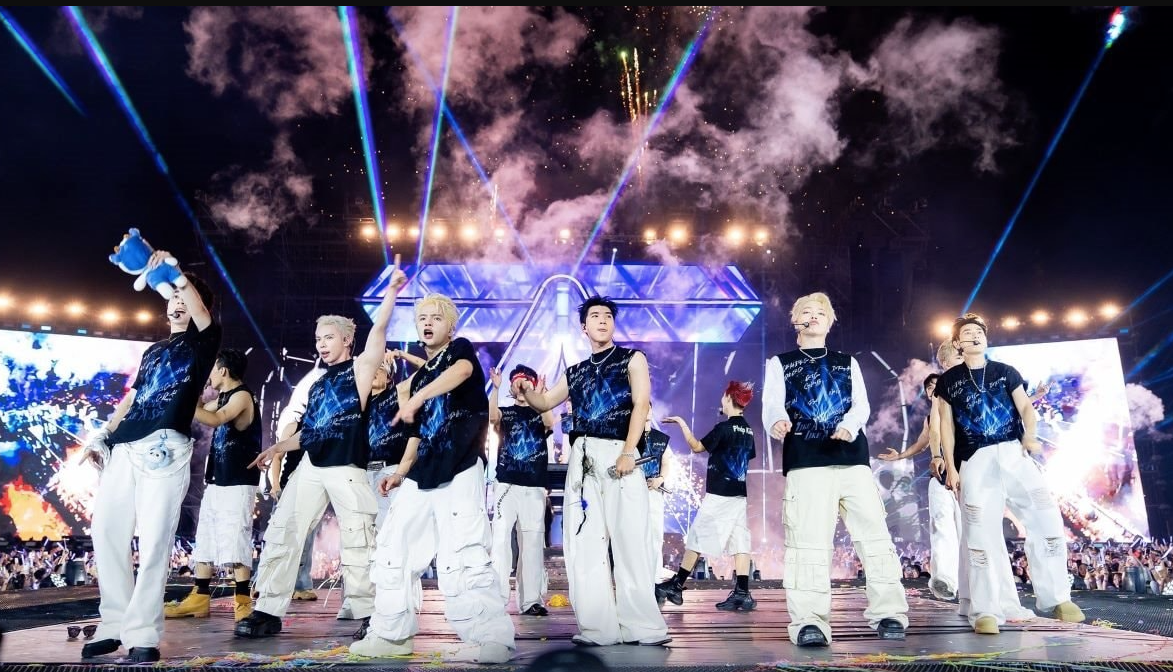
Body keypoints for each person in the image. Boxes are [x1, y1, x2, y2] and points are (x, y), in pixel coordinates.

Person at [235, 263, 407, 639]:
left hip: (347, 468)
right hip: (312, 466)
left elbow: (378, 332)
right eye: (318, 339)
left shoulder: (360, 371)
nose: (322, 344)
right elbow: (310, 433)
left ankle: (368, 615)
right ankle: (267, 610)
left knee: (358, 539)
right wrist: (278, 446)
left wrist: (392, 292)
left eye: (329, 337)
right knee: (284, 531)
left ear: (347, 340)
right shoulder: (316, 384)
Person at [350, 293, 515, 664]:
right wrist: (400, 472)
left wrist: (417, 394)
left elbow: (462, 373)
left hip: (460, 466)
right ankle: (391, 635)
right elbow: (417, 435)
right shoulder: (420, 377)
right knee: (393, 546)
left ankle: (492, 638)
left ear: (450, 327)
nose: (427, 323)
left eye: (435, 318)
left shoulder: (460, 349)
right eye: (422, 317)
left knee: (464, 552)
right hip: (422, 471)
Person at [80, 252, 220, 663]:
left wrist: (177, 277)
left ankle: (142, 633)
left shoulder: (203, 342)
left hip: (165, 449)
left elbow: (198, 309)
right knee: (106, 531)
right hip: (125, 447)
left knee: (156, 540)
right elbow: (134, 398)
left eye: (183, 297)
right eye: (171, 296)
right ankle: (113, 624)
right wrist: (103, 435)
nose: (176, 302)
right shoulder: (154, 351)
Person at [512, 295, 670, 647]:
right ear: (584, 327)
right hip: (583, 457)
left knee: (630, 541)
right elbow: (545, 402)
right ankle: (598, 628)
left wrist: (629, 451)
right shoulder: (576, 371)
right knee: (584, 543)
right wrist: (526, 390)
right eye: (595, 316)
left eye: (608, 315)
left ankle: (643, 627)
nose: (602, 320)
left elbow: (641, 404)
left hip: (619, 453)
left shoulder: (632, 358)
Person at [762, 291, 907, 647]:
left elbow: (861, 405)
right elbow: (772, 403)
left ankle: (889, 612)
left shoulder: (847, 362)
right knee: (807, 544)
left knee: (874, 536)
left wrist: (850, 426)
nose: (814, 316)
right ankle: (809, 621)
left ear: (830, 322)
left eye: (821, 312)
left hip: (852, 459)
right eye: (807, 311)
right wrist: (777, 421)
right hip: (806, 461)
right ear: (796, 321)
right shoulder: (780, 363)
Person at [937, 313, 1084, 635]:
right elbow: (946, 426)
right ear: (957, 343)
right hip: (975, 459)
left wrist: (1030, 435)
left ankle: (1058, 598)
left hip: (1014, 454)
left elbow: (1025, 407)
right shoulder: (948, 382)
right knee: (979, 534)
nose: (975, 336)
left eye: (979, 331)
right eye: (967, 333)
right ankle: (985, 610)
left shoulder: (1005, 372)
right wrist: (951, 466)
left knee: (1045, 518)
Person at [164, 349, 261, 622]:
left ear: (223, 370)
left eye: (211, 369)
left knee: (236, 537)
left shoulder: (242, 395)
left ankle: (242, 601)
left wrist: (190, 400)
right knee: (206, 536)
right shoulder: (223, 397)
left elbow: (215, 418)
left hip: (238, 480)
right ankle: (200, 596)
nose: (209, 375)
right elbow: (198, 413)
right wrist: (192, 392)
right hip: (218, 478)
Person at [655, 381, 758, 612]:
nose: (721, 400)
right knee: (740, 540)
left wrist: (681, 423)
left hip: (720, 493)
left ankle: (676, 586)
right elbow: (746, 456)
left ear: (729, 398)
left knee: (697, 536)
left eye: (723, 396)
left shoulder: (724, 428)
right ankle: (742, 593)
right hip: (739, 494)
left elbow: (696, 447)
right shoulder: (748, 430)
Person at [488, 364, 555, 617]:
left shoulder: (540, 414)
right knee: (500, 540)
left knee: (533, 543)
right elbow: (492, 418)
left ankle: (531, 601)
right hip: (507, 484)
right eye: (517, 381)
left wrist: (540, 395)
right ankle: (498, 598)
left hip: (534, 486)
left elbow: (550, 422)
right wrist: (495, 389)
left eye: (526, 380)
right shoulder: (506, 412)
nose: (521, 384)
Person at [268, 364, 327, 604]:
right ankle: (267, 581)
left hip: (312, 488)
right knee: (280, 536)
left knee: (307, 538)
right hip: (288, 485)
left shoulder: (326, 426)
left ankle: (301, 584)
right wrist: (275, 485)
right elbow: (277, 456)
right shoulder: (294, 425)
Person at [641, 411, 674, 582]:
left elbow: (666, 463)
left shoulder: (661, 438)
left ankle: (655, 580)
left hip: (654, 491)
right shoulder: (629, 434)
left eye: (648, 407)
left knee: (655, 537)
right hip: (632, 491)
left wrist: (659, 479)